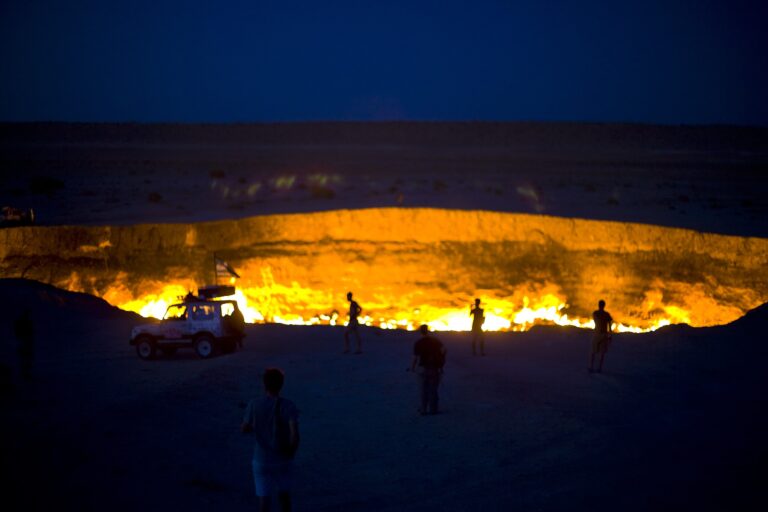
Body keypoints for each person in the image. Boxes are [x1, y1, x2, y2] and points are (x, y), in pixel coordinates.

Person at [241, 368, 300, 512]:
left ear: (264, 385)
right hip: (281, 458)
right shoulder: (289, 405)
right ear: (281, 385)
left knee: (264, 500)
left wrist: (255, 427)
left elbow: (244, 428)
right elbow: (295, 434)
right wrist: (291, 452)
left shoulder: (254, 404)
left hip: (261, 458)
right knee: (284, 497)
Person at [410, 325, 446, 415]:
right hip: (434, 368)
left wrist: (413, 368)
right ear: (428, 331)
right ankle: (433, 409)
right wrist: (441, 365)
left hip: (423, 368)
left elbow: (415, 358)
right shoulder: (435, 341)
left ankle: (423, 409)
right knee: (433, 390)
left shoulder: (418, 343)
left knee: (423, 390)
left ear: (420, 332)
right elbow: (444, 350)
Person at [589, 300, 614, 373]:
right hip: (604, 334)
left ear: (599, 305)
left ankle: (592, 367)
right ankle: (599, 368)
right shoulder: (607, 314)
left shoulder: (595, 313)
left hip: (597, 334)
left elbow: (596, 321)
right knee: (601, 353)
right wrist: (610, 335)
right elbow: (609, 325)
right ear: (604, 305)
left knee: (594, 351)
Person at [14, 310, 35, 381]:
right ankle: (25, 373)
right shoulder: (25, 322)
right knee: (25, 357)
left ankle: (25, 373)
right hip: (24, 341)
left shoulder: (24, 322)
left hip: (25, 341)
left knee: (26, 357)